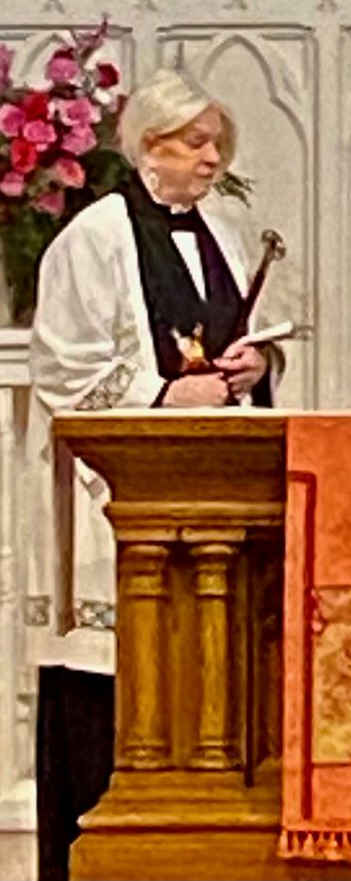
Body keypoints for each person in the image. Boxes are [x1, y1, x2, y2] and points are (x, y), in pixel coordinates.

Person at [28, 68, 276, 880]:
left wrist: (251, 367)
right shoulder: (95, 237)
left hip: (211, 496)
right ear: (148, 144)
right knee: (114, 677)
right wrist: (166, 393)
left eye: (216, 144)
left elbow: (233, 336)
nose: (211, 159)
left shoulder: (223, 233)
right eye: (195, 142)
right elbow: (63, 369)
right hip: (118, 502)